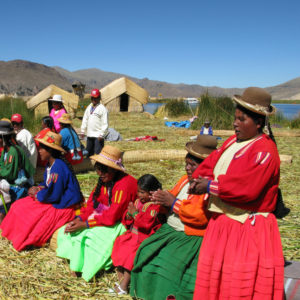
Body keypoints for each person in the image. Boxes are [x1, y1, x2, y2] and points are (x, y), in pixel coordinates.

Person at [189, 87, 284, 299]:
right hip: (223, 224)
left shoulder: (265, 151)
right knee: (217, 283)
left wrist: (209, 186)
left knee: (237, 287)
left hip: (246, 229)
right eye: (235, 118)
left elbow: (247, 188)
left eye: (242, 119)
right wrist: (197, 179)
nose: (235, 123)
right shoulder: (233, 142)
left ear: (259, 123)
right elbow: (211, 164)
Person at [130, 135, 217, 300]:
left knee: (166, 269)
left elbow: (199, 216)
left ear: (206, 166)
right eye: (186, 163)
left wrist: (172, 203)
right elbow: (172, 196)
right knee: (144, 252)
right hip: (169, 231)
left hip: (189, 237)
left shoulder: (209, 186)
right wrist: (160, 200)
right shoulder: (185, 180)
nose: (187, 168)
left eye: (193, 165)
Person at [55, 145, 137, 281]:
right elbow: (92, 204)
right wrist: (80, 218)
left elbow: (112, 216)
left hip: (118, 222)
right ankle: (75, 261)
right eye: (98, 168)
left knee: (89, 238)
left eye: (103, 170)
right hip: (103, 217)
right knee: (66, 230)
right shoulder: (104, 180)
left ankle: (84, 268)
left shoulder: (124, 185)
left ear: (114, 169)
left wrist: (86, 224)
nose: (99, 173)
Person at [0, 131, 82, 251]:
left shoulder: (58, 167)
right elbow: (48, 184)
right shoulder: (50, 165)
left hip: (62, 205)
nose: (39, 151)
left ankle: (23, 238)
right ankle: (10, 232)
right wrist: (38, 187)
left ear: (51, 150)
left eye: (42, 148)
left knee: (30, 215)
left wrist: (37, 193)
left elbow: (54, 194)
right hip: (50, 198)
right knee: (18, 205)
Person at [111, 174, 164, 295]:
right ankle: (121, 282)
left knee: (131, 256)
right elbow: (127, 220)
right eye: (138, 192)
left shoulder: (155, 206)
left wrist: (134, 214)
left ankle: (124, 287)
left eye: (143, 192)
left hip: (144, 238)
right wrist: (129, 215)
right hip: (133, 234)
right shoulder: (137, 202)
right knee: (119, 245)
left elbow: (146, 224)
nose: (140, 195)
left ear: (152, 193)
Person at [0, 120, 35, 221]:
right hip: (10, 182)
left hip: (19, 186)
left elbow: (10, 174)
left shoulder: (13, 151)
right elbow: (2, 164)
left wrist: (1, 170)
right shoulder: (5, 150)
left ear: (3, 138)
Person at [80, 89, 108, 156]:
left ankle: (99, 166)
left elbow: (105, 123)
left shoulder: (103, 109)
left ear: (99, 98)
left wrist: (102, 134)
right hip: (89, 135)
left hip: (98, 136)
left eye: (96, 98)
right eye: (92, 98)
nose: (94, 99)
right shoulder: (89, 107)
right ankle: (89, 166)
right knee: (88, 152)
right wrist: (82, 131)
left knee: (98, 153)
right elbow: (85, 119)